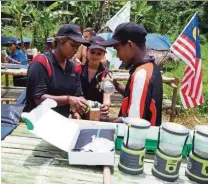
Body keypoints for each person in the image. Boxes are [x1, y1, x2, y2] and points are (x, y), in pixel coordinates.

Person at [100, 22, 163, 126]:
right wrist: (116, 85)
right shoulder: (150, 67)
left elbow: (132, 123)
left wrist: (103, 120)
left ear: (129, 45)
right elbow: (136, 96)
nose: (118, 56)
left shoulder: (141, 74)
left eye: (118, 49)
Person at [25, 24, 91, 118]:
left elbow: (78, 94)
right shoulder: (41, 63)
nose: (75, 50)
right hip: (38, 123)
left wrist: (78, 108)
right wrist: (68, 99)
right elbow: (38, 98)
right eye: (72, 45)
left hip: (62, 123)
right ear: (60, 41)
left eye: (78, 46)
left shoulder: (73, 67)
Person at [80, 36, 111, 108]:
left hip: (97, 112)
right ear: (87, 51)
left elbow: (107, 95)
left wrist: (106, 105)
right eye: (92, 52)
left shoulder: (106, 74)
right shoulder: (78, 70)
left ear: (104, 55)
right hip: (78, 111)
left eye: (99, 53)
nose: (95, 55)